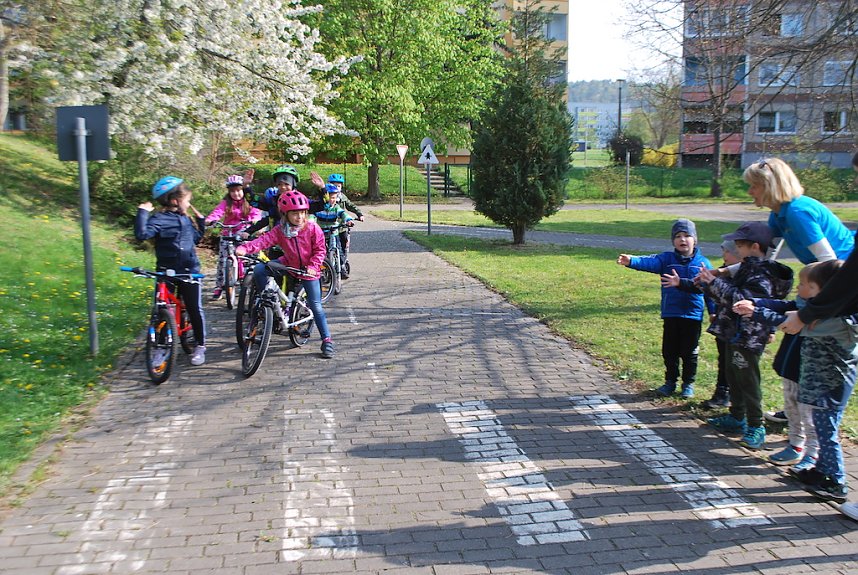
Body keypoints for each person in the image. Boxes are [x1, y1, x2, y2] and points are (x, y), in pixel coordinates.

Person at [741, 157, 855, 424]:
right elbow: (764, 258)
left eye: (753, 186)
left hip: (838, 290)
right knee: (789, 359)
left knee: (802, 357)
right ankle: (797, 411)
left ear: (769, 185)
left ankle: (811, 417)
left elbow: (830, 263)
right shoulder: (779, 213)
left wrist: (811, 310)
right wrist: (726, 271)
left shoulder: (798, 213)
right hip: (816, 287)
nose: (749, 192)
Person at [735, 259, 856, 503]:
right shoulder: (822, 311)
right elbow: (790, 308)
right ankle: (821, 471)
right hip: (816, 384)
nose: (798, 289)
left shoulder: (838, 322)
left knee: (826, 433)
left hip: (829, 388)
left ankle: (837, 481)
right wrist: (757, 304)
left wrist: (756, 312)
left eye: (804, 285)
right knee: (823, 430)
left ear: (825, 292)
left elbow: (792, 322)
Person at [696, 222, 793, 450]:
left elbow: (743, 300)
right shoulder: (746, 268)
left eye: (740, 245)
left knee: (748, 380)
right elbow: (726, 295)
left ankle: (755, 425)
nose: (736, 248)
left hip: (749, 336)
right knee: (733, 375)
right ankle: (736, 416)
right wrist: (708, 284)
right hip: (734, 332)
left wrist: (715, 283)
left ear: (755, 247)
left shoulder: (762, 274)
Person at [617, 219, 715, 398]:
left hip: (693, 315)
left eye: (687, 236)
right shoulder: (667, 260)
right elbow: (650, 262)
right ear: (673, 241)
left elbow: (711, 290)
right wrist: (631, 260)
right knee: (669, 350)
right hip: (671, 313)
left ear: (695, 240)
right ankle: (670, 381)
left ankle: (688, 384)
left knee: (690, 351)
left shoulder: (703, 263)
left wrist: (713, 311)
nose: (682, 239)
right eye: (678, 236)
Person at [235, 190, 336, 359]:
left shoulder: (313, 228)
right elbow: (263, 241)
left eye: (303, 213)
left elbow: (320, 251)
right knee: (260, 269)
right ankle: (265, 300)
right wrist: (245, 248)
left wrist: (312, 266)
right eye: (295, 213)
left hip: (309, 270)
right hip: (288, 263)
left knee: (316, 306)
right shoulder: (281, 230)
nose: (300, 217)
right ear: (285, 214)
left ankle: (327, 340)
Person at [135, 176, 208, 366]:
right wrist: (142, 212)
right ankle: (160, 347)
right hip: (165, 271)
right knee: (160, 309)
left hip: (189, 270)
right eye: (187, 199)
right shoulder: (159, 219)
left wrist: (201, 222)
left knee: (194, 308)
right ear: (175, 201)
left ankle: (200, 345)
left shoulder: (185, 219)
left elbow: (195, 239)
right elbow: (142, 234)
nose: (189, 203)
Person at [205, 174, 263, 299]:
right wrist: (210, 220)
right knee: (222, 260)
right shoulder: (226, 202)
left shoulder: (248, 202)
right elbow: (217, 213)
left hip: (244, 232)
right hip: (228, 232)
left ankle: (249, 281)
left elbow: (256, 212)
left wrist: (254, 220)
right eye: (232, 191)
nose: (236, 194)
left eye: (238, 190)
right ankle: (219, 286)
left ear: (243, 190)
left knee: (249, 257)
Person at [700, 240, 742, 409]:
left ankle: (735, 400)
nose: (723, 255)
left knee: (735, 365)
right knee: (723, 361)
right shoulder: (722, 272)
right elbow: (707, 291)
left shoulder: (742, 276)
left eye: (726, 252)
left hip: (737, 329)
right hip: (723, 326)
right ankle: (721, 394)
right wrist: (681, 283)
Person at [313, 184, 355, 278]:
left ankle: (341, 268)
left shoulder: (336, 208)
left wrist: (348, 220)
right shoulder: (319, 209)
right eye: (330, 198)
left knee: (338, 250)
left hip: (334, 233)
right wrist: (310, 223)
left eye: (334, 198)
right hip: (321, 234)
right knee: (320, 252)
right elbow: (312, 217)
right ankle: (323, 271)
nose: (332, 200)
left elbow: (343, 214)